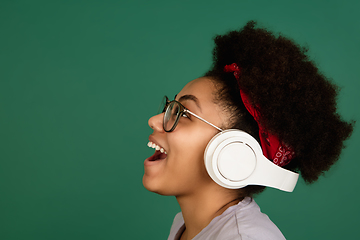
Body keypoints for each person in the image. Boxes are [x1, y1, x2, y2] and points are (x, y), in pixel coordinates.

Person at [142, 21, 354, 240]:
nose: (155, 120)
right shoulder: (186, 225)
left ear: (232, 153)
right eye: (170, 107)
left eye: (184, 113)